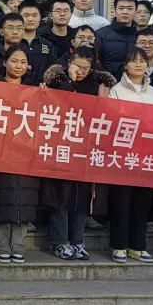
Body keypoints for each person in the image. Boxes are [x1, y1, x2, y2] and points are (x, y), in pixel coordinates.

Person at [39, 45, 114, 261]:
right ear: (69, 62)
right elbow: (57, 105)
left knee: (81, 197)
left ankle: (77, 241)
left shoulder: (99, 84)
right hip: (60, 144)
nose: (81, 71)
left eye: (85, 68)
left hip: (85, 147)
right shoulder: (56, 80)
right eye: (77, 66)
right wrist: (70, 81)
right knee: (61, 195)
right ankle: (60, 241)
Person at [106, 47, 153, 263]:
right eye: (133, 60)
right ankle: (119, 246)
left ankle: (138, 246)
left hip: (146, 156)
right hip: (122, 155)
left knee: (142, 203)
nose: (138, 64)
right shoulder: (116, 91)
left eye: (142, 61)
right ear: (125, 65)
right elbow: (110, 121)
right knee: (121, 202)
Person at [0, 45, 41, 263]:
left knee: (23, 199)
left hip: (26, 153)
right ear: (4, 62)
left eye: (23, 62)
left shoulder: (35, 90)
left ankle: (18, 244)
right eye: (14, 61)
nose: (18, 66)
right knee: (2, 198)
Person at [95, 0, 138, 77]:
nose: (125, 12)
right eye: (121, 8)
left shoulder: (140, 36)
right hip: (107, 82)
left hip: (135, 82)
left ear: (135, 11)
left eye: (130, 8)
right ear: (114, 10)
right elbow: (94, 62)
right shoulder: (100, 35)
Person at [18, 0, 56, 78]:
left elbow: (53, 71)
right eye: (26, 15)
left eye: (34, 15)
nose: (30, 19)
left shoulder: (47, 45)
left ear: (40, 17)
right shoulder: (12, 42)